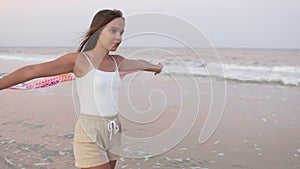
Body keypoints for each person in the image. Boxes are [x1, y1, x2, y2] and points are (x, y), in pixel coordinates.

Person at [0, 9, 163, 169]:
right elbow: (33, 71)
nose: (119, 37)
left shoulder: (117, 61)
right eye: (113, 30)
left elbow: (140, 63)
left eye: (122, 32)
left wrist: (156, 68)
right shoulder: (79, 60)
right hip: (90, 131)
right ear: (98, 31)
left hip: (114, 129)